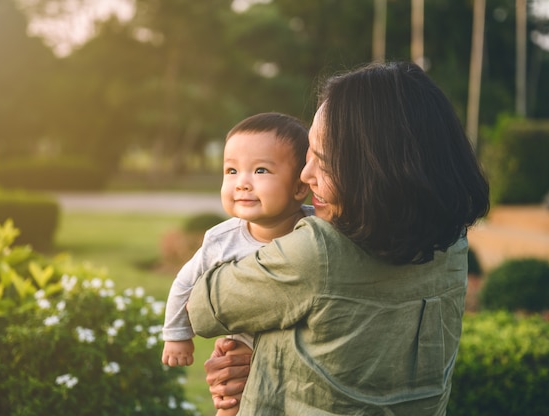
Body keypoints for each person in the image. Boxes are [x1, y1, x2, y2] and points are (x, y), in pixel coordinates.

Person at [187, 61, 490, 415]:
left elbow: (203, 305)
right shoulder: (452, 244)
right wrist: (257, 357)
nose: (305, 174)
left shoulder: (316, 252)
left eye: (325, 162)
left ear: (375, 171)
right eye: (308, 154)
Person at [161, 112, 312, 410]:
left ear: (299, 187)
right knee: (230, 405)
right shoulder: (222, 240)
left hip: (296, 354)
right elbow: (185, 282)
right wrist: (177, 335)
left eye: (260, 171)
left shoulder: (316, 229)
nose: (242, 183)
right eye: (231, 171)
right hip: (241, 355)